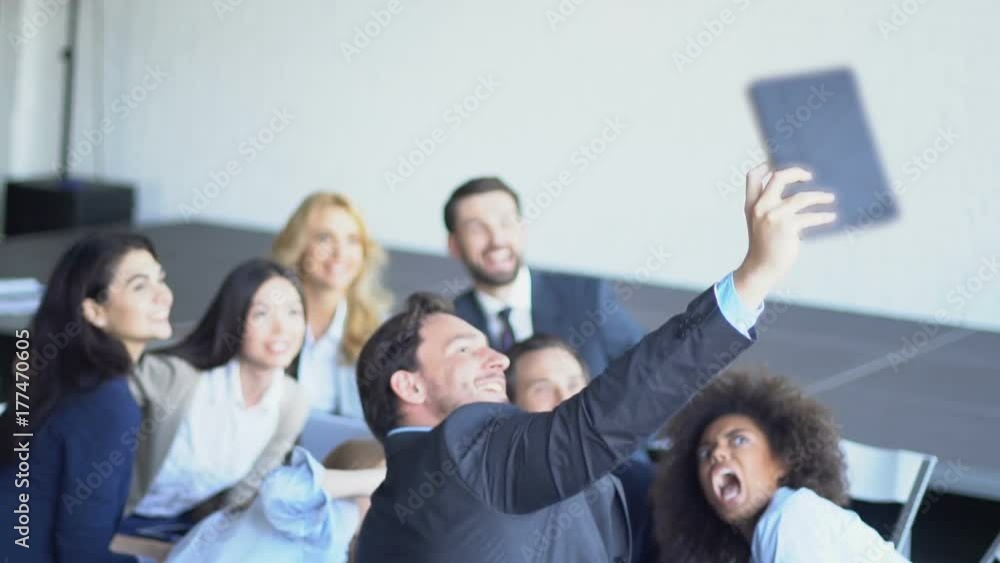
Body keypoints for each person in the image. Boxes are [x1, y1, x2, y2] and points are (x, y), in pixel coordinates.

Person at [353, 165, 837, 562]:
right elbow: (614, 405)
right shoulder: (465, 444)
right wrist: (754, 276)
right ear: (410, 387)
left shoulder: (374, 533)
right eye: (464, 349)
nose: (499, 358)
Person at [125, 259, 377, 535]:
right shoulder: (174, 377)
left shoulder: (292, 400)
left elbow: (239, 502)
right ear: (234, 320)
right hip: (111, 519)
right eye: (261, 314)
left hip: (176, 528)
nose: (281, 328)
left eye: (294, 312)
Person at [0, 233, 174, 563]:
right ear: (94, 311)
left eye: (160, 280)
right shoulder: (108, 402)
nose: (162, 295)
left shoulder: (68, 377)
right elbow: (81, 551)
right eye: (141, 286)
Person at [651, 369, 910, 562]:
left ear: (783, 461)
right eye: (705, 452)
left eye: (739, 440)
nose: (717, 453)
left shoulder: (791, 515)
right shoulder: (766, 538)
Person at [445, 176, 644, 376]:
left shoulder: (589, 298)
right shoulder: (450, 326)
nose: (497, 239)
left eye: (506, 223)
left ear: (522, 230)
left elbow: (646, 372)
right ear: (454, 245)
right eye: (476, 229)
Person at [505, 334, 657, 563]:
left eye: (574, 384)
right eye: (542, 389)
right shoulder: (499, 495)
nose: (565, 399)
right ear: (511, 406)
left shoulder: (641, 485)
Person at [273, 193, 392, 417]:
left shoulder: (384, 333)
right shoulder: (265, 320)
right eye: (325, 238)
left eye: (352, 240)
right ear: (298, 246)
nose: (340, 253)